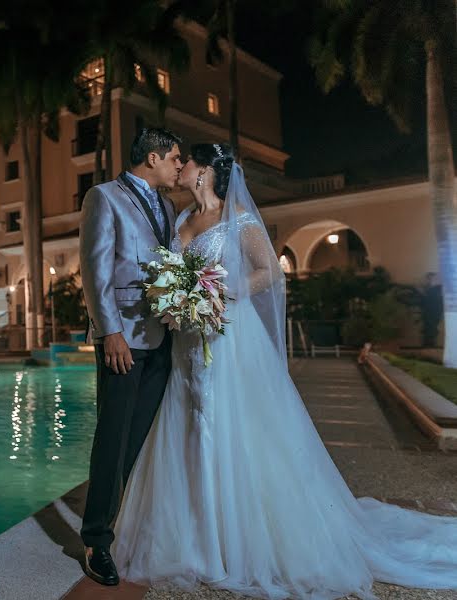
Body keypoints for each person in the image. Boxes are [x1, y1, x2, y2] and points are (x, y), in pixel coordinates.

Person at [112, 143, 457, 598]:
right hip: (188, 343)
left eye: (186, 162)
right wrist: (175, 298)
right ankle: (197, 533)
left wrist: (222, 292)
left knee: (232, 426)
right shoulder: (180, 221)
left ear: (206, 171)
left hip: (230, 338)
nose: (180, 168)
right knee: (189, 426)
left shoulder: (240, 218)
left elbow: (269, 273)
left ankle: (232, 537)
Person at [77, 127, 183, 586]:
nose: (180, 166)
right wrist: (110, 333)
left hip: (163, 340)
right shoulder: (103, 197)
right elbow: (94, 270)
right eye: (175, 159)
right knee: (113, 438)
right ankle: (96, 539)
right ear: (154, 158)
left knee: (138, 440)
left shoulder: (169, 205)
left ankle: (124, 522)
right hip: (122, 341)